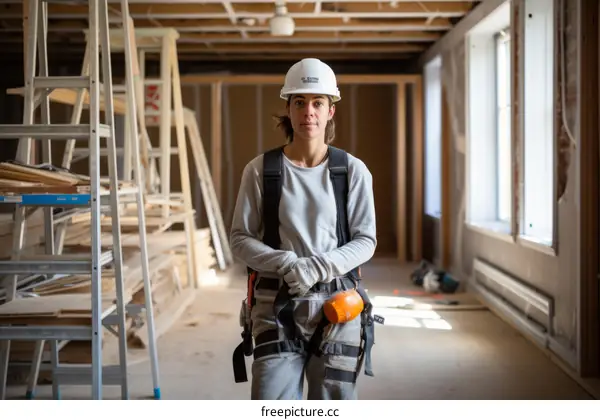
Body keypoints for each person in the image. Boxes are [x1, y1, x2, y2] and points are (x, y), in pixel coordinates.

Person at [229, 58, 377, 400]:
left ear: (330, 112)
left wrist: (317, 267)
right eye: (299, 101)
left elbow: (366, 240)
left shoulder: (351, 171)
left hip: (336, 308)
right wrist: (288, 264)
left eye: (317, 102)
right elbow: (239, 238)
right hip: (276, 308)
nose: (308, 111)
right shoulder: (261, 170)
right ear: (288, 108)